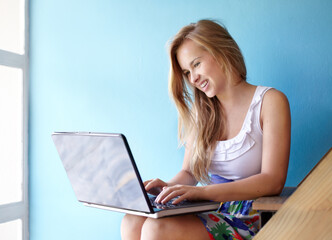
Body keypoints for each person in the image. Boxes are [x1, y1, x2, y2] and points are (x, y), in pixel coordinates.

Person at [121, 19, 291, 240]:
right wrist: (168, 189)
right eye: (186, 72)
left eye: (196, 64)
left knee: (156, 230)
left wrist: (203, 192)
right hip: (209, 208)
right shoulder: (201, 112)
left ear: (221, 52)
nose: (193, 78)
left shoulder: (270, 102)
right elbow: (190, 173)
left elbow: (273, 180)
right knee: (132, 219)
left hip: (249, 215)